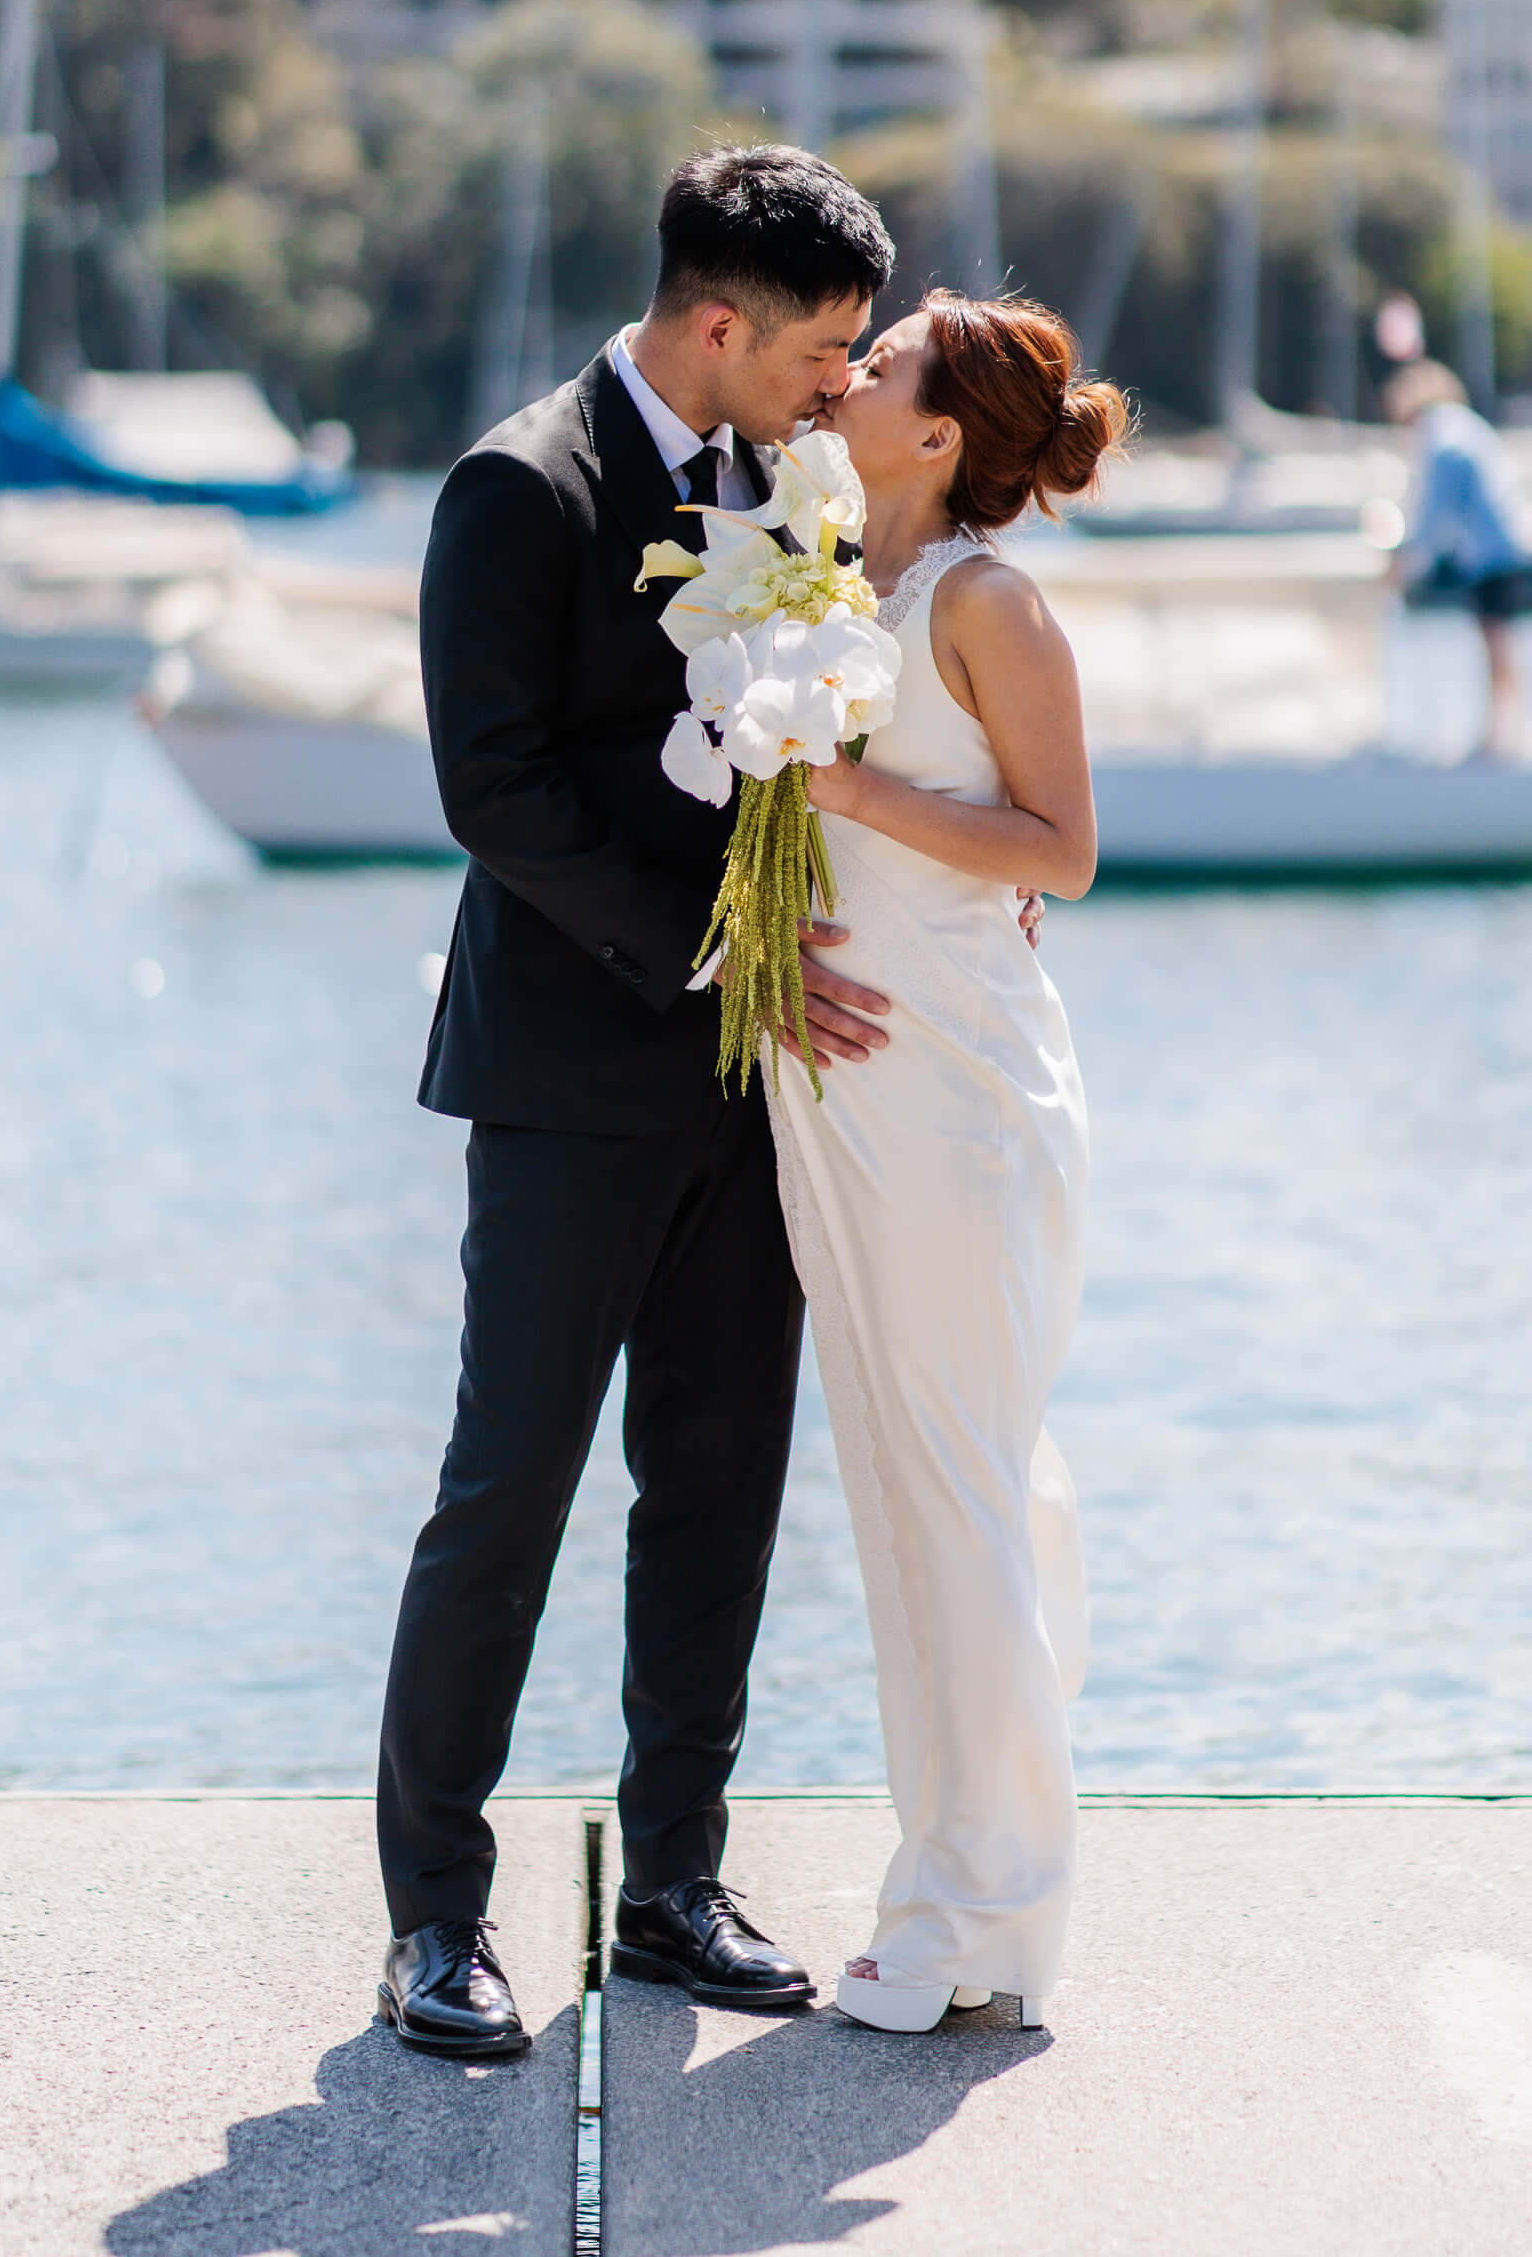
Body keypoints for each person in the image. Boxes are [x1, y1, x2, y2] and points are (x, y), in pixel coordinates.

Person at [375, 148, 1042, 2062]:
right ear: (720, 324)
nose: (847, 381)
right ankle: (435, 1919)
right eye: (827, 346)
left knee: (719, 1483)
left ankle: (674, 1882)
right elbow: (495, 797)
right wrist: (718, 957)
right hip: (572, 1076)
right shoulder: (519, 484)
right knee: (504, 1491)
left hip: (775, 1088)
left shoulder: (796, 479)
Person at [773, 290, 1127, 2036]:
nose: (855, 369)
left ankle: (970, 1912)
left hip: (962, 1086)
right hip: (837, 1076)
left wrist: (846, 796)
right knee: (919, 1491)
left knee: (964, 1486)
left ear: (936, 436)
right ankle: (970, 1889)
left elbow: (1059, 848)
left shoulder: (986, 603)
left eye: (890, 359)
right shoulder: (820, 570)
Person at [1383, 359, 1532, 756]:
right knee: (1500, 641)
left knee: (1495, 640)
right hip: (1507, 544)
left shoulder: (1442, 436)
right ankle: (1511, 729)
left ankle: (1501, 736)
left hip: (1494, 552)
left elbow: (1434, 510)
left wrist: (1409, 561)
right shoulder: (1462, 425)